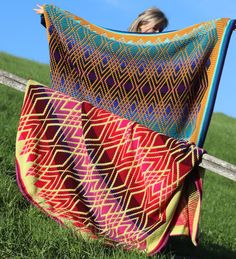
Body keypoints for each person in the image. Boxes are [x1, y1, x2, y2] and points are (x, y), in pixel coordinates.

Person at [34, 4, 168, 33]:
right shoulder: (122, 42)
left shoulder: (162, 54)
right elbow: (85, 37)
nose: (158, 33)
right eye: (155, 28)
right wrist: (51, 17)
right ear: (141, 24)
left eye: (160, 30)